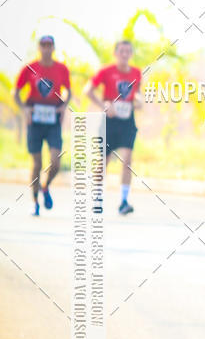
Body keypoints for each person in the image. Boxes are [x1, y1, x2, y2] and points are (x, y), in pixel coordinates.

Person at [14, 35, 71, 216]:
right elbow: (16, 92)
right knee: (36, 163)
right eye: (43, 45)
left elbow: (68, 91)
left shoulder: (62, 69)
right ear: (39, 48)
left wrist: (63, 106)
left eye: (50, 45)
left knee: (56, 161)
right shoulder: (30, 68)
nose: (47, 48)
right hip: (35, 119)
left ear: (53, 48)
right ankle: (35, 201)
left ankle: (46, 186)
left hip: (53, 118)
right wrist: (24, 109)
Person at [83, 40, 142, 214]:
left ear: (131, 54)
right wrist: (103, 105)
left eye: (128, 51)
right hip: (109, 120)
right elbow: (88, 90)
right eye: (122, 51)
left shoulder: (136, 73)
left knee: (127, 160)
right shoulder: (106, 72)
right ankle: (97, 199)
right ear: (115, 53)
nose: (125, 54)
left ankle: (124, 201)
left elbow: (137, 94)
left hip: (127, 120)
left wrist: (138, 101)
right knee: (103, 161)